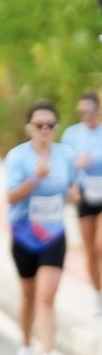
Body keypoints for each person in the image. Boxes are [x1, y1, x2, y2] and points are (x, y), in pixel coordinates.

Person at [5, 100, 76, 355]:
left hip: (54, 233)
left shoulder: (65, 155)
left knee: (47, 296)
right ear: (29, 127)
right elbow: (10, 197)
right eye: (39, 125)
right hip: (24, 233)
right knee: (28, 295)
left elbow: (72, 187)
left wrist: (73, 195)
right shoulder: (18, 157)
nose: (45, 130)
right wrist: (36, 177)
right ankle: (25, 347)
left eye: (50, 125)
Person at [61, 90, 102, 314]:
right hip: (84, 194)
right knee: (90, 250)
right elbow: (65, 165)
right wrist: (71, 185)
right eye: (81, 112)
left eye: (89, 111)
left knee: (100, 245)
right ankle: (98, 294)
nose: (85, 115)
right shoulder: (71, 134)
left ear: (98, 110)